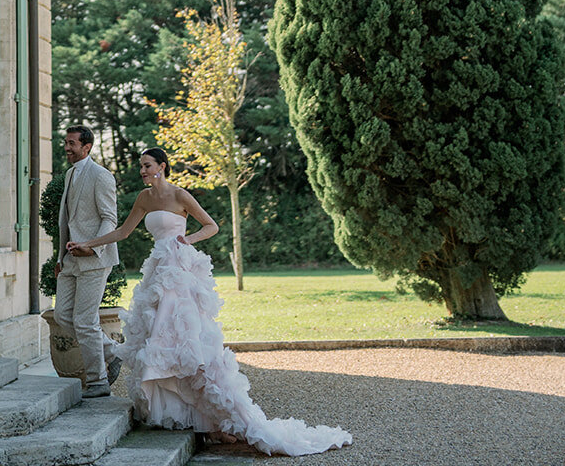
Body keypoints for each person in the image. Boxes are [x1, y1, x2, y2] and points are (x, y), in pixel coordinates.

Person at [70, 147, 352, 456]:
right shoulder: (144, 198)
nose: (142, 171)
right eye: (141, 166)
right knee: (160, 338)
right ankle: (179, 414)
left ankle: (213, 418)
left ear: (162, 166)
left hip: (179, 271)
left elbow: (211, 225)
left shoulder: (180, 195)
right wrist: (87, 244)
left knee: (185, 340)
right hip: (157, 273)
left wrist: (186, 240)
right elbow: (123, 232)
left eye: (147, 165)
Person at [54, 125, 123, 398]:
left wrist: (92, 248)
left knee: (84, 320)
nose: (67, 148)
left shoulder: (101, 176)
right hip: (70, 261)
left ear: (87, 147)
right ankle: (113, 352)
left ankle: (98, 381)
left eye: (72, 143)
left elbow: (109, 218)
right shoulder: (70, 174)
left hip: (95, 259)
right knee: (62, 315)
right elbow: (66, 222)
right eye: (66, 142)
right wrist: (61, 257)